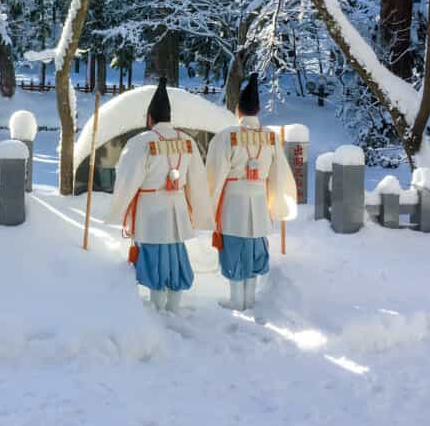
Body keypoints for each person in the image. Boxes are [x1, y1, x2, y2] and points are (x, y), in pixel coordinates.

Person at [107, 78, 213, 312]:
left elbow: (126, 177)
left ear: (149, 118)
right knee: (175, 254)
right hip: (177, 207)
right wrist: (200, 211)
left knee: (154, 255)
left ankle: (157, 307)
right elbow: (197, 180)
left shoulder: (141, 142)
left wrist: (118, 209)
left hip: (151, 208)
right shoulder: (187, 142)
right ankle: (174, 306)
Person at [205, 73, 296, 311]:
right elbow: (278, 175)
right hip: (258, 201)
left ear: (238, 111)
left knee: (234, 246)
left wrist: (208, 205)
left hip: (233, 202)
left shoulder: (227, 136)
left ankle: (236, 300)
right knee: (255, 247)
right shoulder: (270, 138)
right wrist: (276, 204)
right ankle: (249, 299)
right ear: (258, 111)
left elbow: (214, 174)